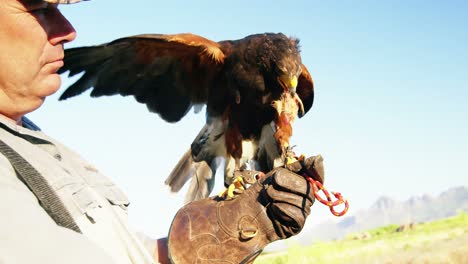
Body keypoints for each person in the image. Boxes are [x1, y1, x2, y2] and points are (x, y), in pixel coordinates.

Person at [0, 0, 321, 263]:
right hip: (227, 129)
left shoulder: (38, 143)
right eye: (40, 9)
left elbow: (126, 255)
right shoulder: (216, 55)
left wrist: (221, 237)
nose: (69, 30)